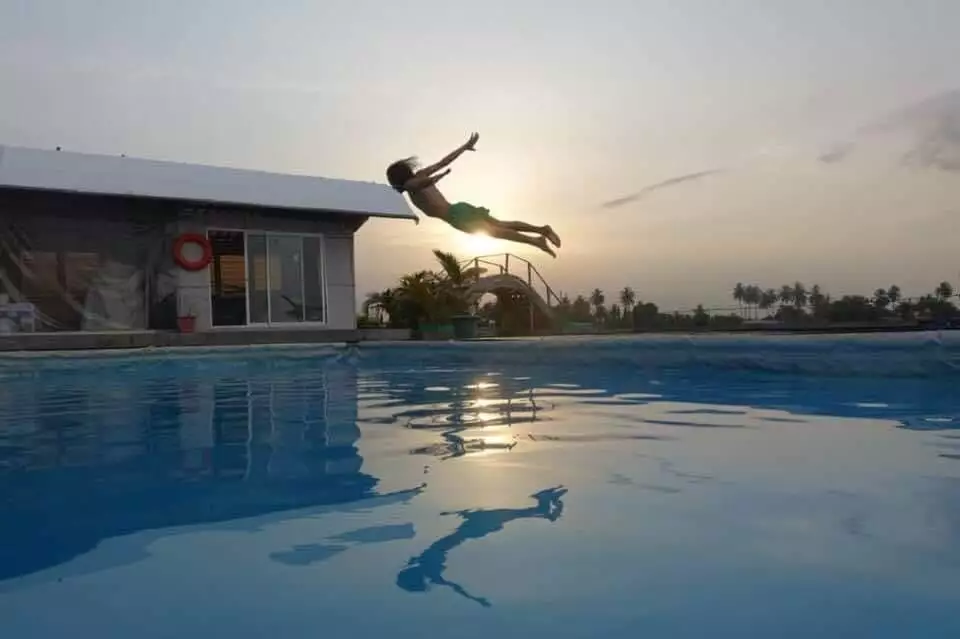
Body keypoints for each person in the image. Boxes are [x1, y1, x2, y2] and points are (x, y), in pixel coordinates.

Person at [385, 133, 562, 257]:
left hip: (455, 216)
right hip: (459, 208)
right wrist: (464, 148)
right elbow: (442, 163)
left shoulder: (410, 185)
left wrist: (437, 177)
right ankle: (542, 230)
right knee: (501, 225)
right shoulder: (421, 176)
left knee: (497, 231)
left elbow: (423, 181)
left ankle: (537, 241)